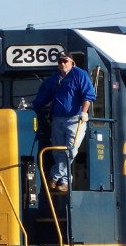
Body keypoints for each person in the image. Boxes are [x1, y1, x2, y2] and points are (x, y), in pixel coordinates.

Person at [31, 53, 96, 192]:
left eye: (65, 61)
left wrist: (84, 112)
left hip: (75, 119)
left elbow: (88, 95)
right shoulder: (54, 78)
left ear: (71, 62)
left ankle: (54, 177)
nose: (62, 64)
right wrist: (32, 106)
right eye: (60, 61)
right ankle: (65, 181)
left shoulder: (80, 75)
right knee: (57, 151)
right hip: (57, 119)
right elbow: (44, 95)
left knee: (71, 150)